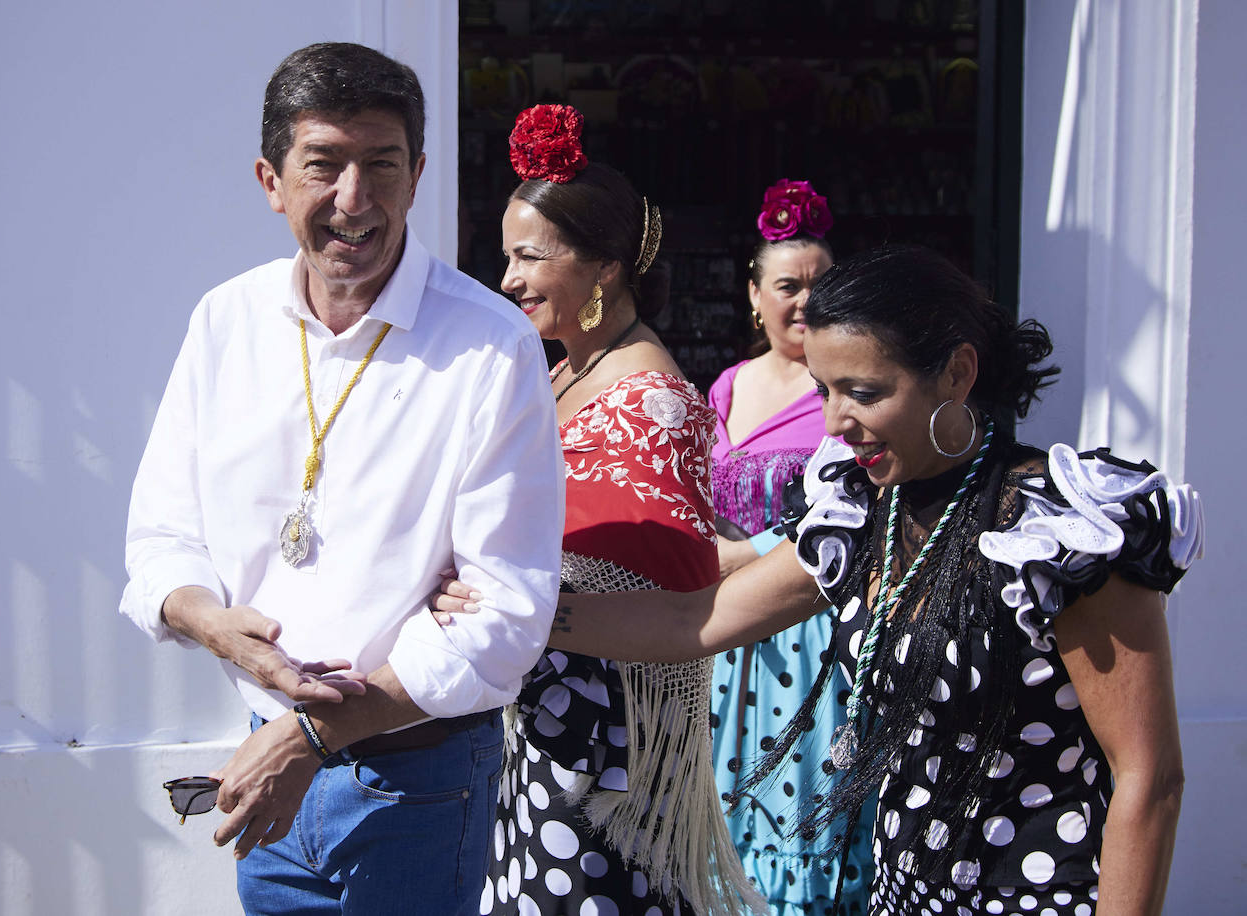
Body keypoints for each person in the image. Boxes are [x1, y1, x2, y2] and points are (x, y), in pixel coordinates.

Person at [437, 245, 1204, 915]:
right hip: (903, 893)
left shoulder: (1061, 533)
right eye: (825, 389)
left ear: (958, 372)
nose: (835, 423)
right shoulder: (866, 509)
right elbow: (694, 622)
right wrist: (529, 613)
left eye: (865, 393)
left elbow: (1150, 776)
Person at [120, 43, 565, 915]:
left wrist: (315, 734)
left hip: (419, 780)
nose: (354, 200)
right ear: (270, 180)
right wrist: (213, 623)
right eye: (323, 166)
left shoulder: (489, 345)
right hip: (265, 766)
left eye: (382, 166)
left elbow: (508, 616)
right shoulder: (227, 321)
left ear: (419, 175)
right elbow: (159, 536)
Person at [460, 103, 761, 915]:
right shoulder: (567, 369)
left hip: (602, 741)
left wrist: (501, 592)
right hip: (549, 710)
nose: (509, 279)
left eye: (529, 257)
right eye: (505, 257)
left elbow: (673, 574)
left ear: (603, 267)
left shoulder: (647, 399)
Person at [708, 179, 872, 915]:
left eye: (821, 285)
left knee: (798, 810)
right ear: (753, 294)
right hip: (718, 642)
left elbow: (858, 512)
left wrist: (738, 559)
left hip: (808, 634)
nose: (803, 301)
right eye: (787, 285)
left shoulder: (847, 392)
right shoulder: (728, 385)